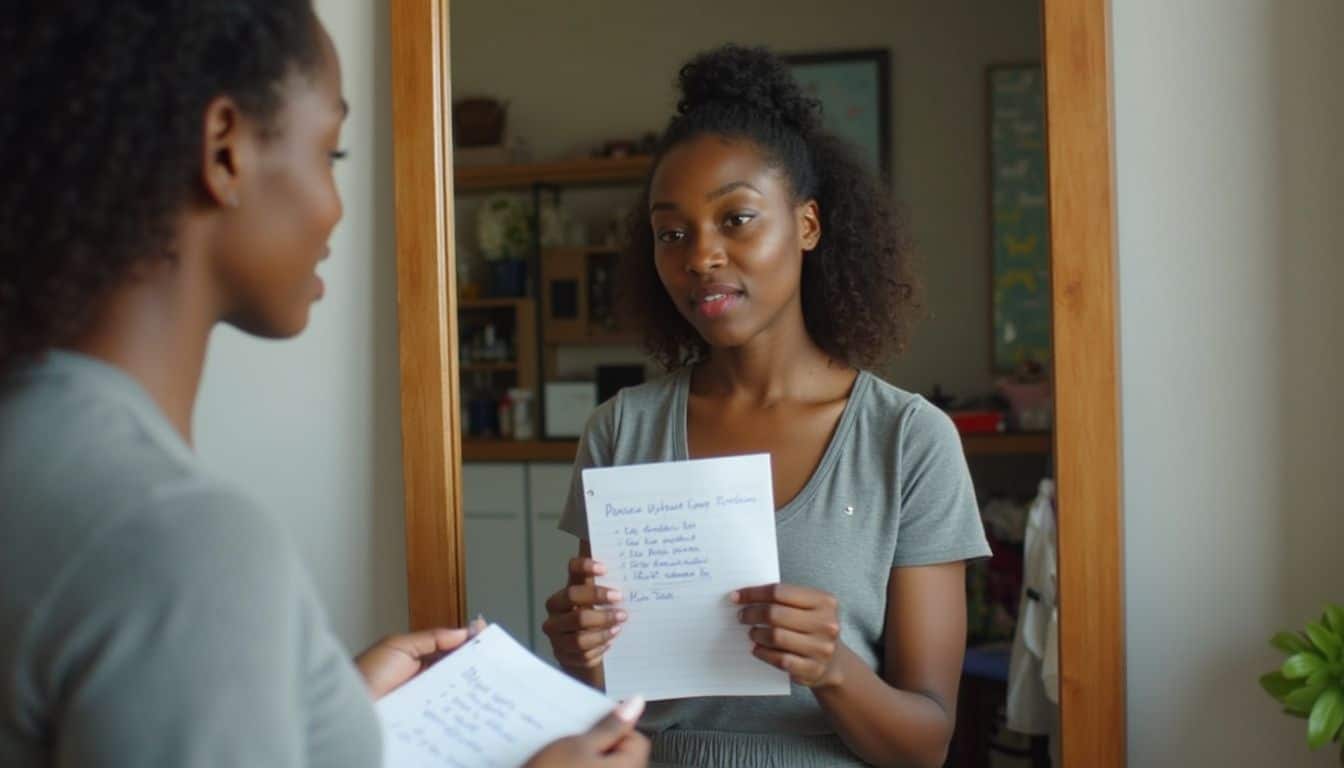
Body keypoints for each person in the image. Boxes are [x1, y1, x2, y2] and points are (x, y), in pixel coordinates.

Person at [0, 3, 647, 766]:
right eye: (332, 154)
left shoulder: (35, 445)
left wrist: (317, 708)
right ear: (225, 152)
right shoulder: (176, 543)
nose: (336, 208)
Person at [542, 45, 991, 767]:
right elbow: (609, 701)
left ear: (807, 225)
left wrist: (833, 667)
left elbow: (925, 745)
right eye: (672, 233)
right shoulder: (622, 430)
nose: (701, 257)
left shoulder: (908, 441)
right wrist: (581, 652)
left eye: (737, 220)